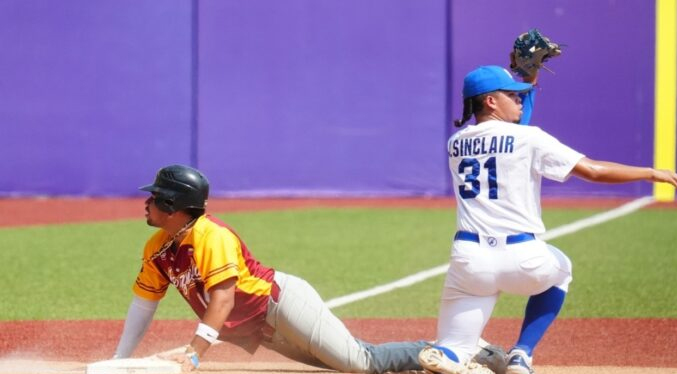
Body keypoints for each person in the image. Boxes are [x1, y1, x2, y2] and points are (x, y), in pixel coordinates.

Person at [417, 65, 677, 374]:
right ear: (490, 101)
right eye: (512, 95)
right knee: (562, 269)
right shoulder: (529, 138)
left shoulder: (455, 144)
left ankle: (451, 353)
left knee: (452, 348)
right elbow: (592, 170)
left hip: (470, 263)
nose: (519, 101)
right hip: (526, 260)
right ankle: (521, 353)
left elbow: (508, 136)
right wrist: (652, 173)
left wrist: (530, 81)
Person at [112, 164, 430, 373]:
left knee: (359, 363)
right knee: (348, 361)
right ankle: (427, 361)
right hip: (262, 331)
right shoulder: (157, 248)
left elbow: (223, 300)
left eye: (154, 196)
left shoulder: (212, 237)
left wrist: (195, 353)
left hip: (281, 306)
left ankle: (446, 352)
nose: (146, 202)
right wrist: (120, 359)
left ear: (172, 204)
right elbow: (144, 303)